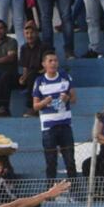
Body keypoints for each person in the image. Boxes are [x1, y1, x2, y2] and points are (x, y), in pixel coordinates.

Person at [32, 50, 77, 182]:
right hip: (48, 128)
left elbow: (74, 99)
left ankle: (75, 192)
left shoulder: (65, 77)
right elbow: (35, 106)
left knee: (70, 161)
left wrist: (67, 98)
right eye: (50, 61)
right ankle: (50, 193)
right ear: (44, 64)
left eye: (55, 60)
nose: (53, 63)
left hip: (65, 125)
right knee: (51, 162)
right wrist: (44, 102)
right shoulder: (39, 81)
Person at [18, 20, 46, 117]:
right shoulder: (24, 48)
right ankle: (2, 108)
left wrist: (30, 75)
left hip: (41, 74)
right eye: (27, 33)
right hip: (30, 74)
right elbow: (25, 67)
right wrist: (23, 77)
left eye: (32, 33)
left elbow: (47, 66)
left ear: (37, 33)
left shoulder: (44, 46)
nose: (29, 36)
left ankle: (32, 108)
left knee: (33, 76)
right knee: (6, 77)